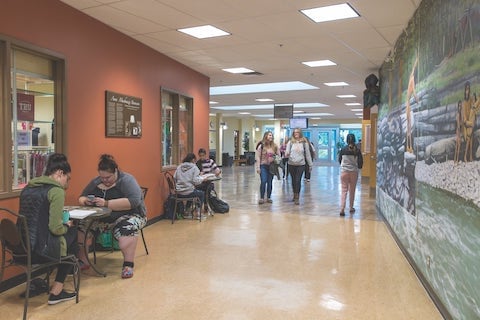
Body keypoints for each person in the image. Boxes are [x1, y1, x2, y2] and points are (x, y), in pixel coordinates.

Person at [19, 153, 78, 305]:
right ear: (59, 173)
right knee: (73, 234)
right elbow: (55, 228)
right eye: (68, 178)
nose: (67, 183)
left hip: (21, 248)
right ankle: (56, 291)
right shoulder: (56, 191)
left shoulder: (28, 188)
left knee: (65, 237)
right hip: (40, 251)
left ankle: (35, 284)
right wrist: (66, 225)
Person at [78, 154, 147, 279]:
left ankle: (128, 264)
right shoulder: (95, 182)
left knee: (126, 229)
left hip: (130, 215)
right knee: (81, 226)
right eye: (102, 177)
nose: (105, 180)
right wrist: (86, 201)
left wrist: (106, 203)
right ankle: (84, 261)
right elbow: (82, 197)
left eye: (108, 177)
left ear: (116, 171)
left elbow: (133, 202)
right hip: (103, 218)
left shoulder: (127, 180)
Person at [175, 153, 208, 217]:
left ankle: (186, 211)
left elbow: (175, 177)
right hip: (189, 192)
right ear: (193, 160)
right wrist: (202, 179)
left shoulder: (179, 167)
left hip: (179, 192)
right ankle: (198, 212)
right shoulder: (194, 168)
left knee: (192, 190)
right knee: (201, 193)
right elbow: (195, 182)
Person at [285, 128, 312, 205]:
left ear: (300, 133)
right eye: (294, 132)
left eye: (297, 132)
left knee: (298, 180)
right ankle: (294, 193)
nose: (296, 133)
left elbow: (307, 154)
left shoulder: (304, 143)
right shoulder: (290, 142)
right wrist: (286, 154)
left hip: (301, 164)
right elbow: (287, 151)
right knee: (293, 181)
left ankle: (297, 197)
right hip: (291, 164)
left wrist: (310, 165)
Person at [338, 133, 363, 216]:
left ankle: (342, 208)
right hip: (354, 172)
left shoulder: (343, 149)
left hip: (344, 172)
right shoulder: (357, 150)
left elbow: (339, 160)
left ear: (347, 140)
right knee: (352, 190)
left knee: (344, 190)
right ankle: (351, 207)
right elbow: (360, 164)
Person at [255, 131, 280, 204]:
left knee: (270, 182)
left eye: (271, 135)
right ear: (265, 136)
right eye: (269, 135)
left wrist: (275, 159)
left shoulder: (275, 146)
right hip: (263, 166)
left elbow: (279, 156)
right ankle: (262, 198)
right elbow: (258, 157)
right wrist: (258, 167)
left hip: (271, 166)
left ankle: (269, 197)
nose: (271, 137)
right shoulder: (261, 146)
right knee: (263, 181)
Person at [196, 148, 221, 212]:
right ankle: (205, 203)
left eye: (203, 155)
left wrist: (217, 172)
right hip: (201, 182)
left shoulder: (210, 161)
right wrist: (200, 174)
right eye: (200, 156)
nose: (202, 157)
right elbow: (195, 175)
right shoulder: (197, 163)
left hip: (209, 182)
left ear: (205, 155)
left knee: (208, 187)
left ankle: (206, 204)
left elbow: (217, 169)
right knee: (204, 188)